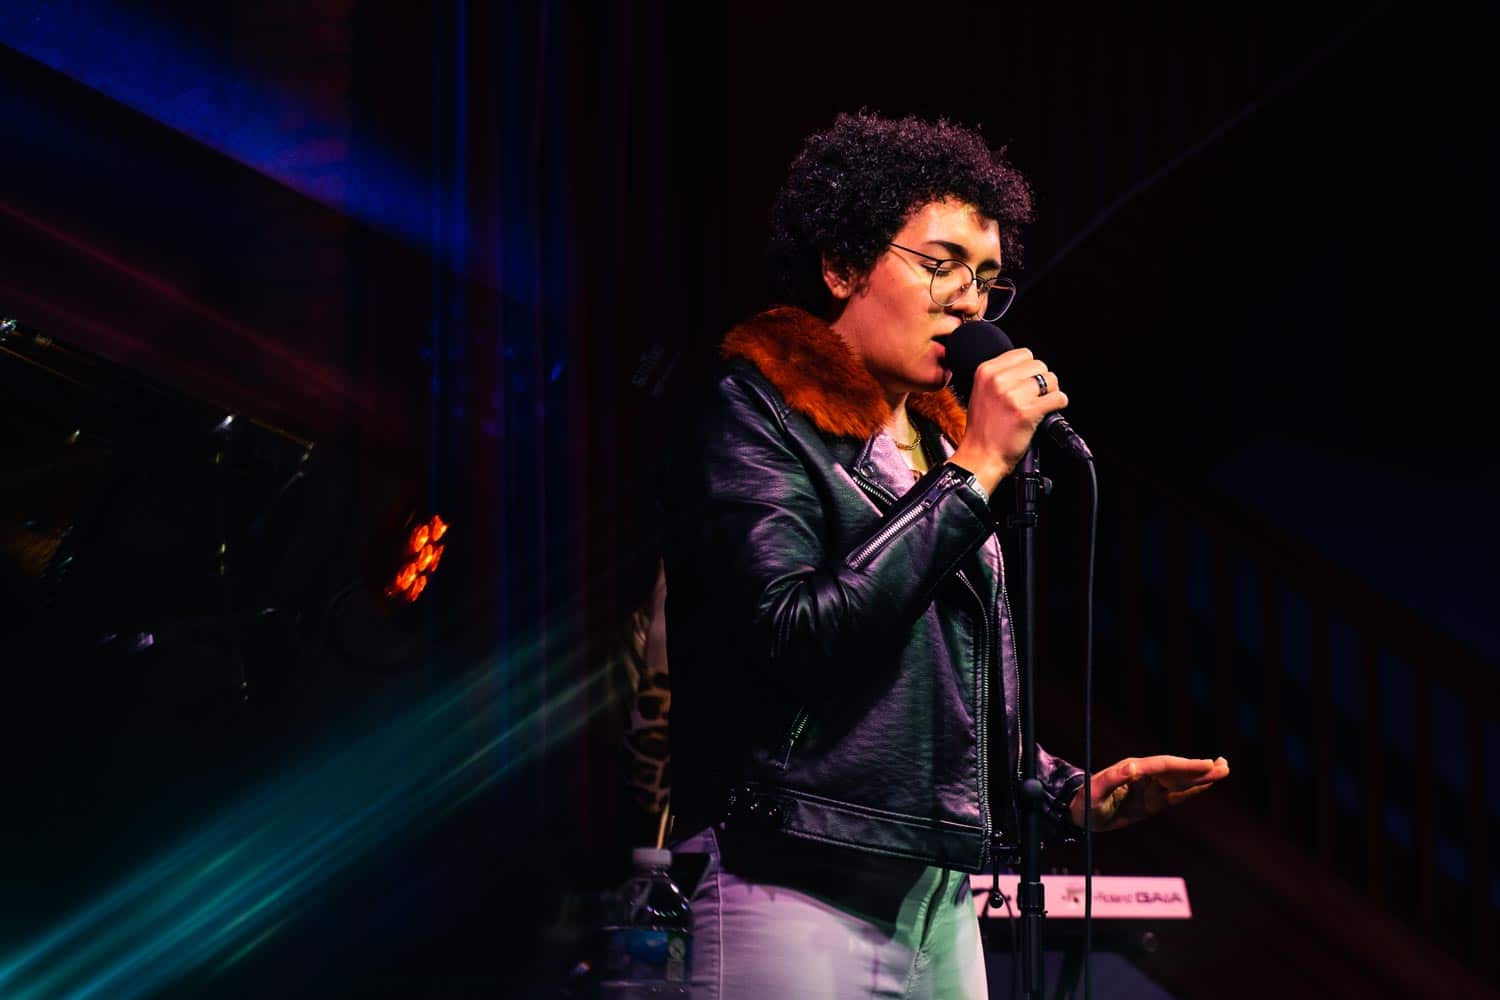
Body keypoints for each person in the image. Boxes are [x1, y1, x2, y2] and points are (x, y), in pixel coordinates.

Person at [658, 110, 1229, 1000]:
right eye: (942, 263)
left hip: (938, 895)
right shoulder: (758, 412)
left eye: (988, 279)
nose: (968, 300)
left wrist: (1061, 792)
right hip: (792, 876)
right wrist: (974, 474)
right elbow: (792, 636)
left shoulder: (937, 449)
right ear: (843, 264)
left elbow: (930, 683)